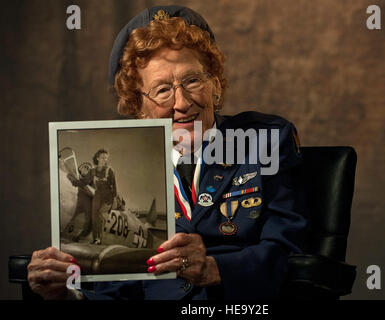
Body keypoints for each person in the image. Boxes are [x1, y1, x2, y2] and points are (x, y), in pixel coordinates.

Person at [27, 5, 308, 300]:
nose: (182, 102)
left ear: (214, 85)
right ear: (139, 107)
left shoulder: (264, 141)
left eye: (192, 81)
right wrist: (68, 295)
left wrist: (215, 268)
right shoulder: (132, 171)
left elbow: (289, 251)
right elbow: (119, 290)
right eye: (162, 90)